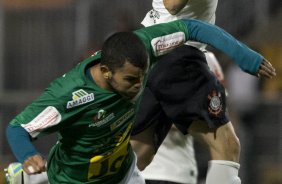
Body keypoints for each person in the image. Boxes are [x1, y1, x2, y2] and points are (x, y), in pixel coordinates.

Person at [5, 19, 275, 184]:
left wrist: (245, 56)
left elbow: (193, 27)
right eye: (132, 80)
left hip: (123, 175)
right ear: (107, 73)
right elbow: (17, 128)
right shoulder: (69, 96)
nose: (139, 87)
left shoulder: (146, 46)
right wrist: (29, 155)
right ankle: (30, 175)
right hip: (74, 180)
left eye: (143, 78)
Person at [130, 3, 276, 184]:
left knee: (138, 154)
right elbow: (172, 5)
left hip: (156, 48)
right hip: (178, 50)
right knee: (226, 146)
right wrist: (240, 53)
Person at [135, 0, 224, 184]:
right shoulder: (139, 63)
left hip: (177, 173)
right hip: (143, 173)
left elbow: (218, 115)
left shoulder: (206, 64)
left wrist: (177, 113)